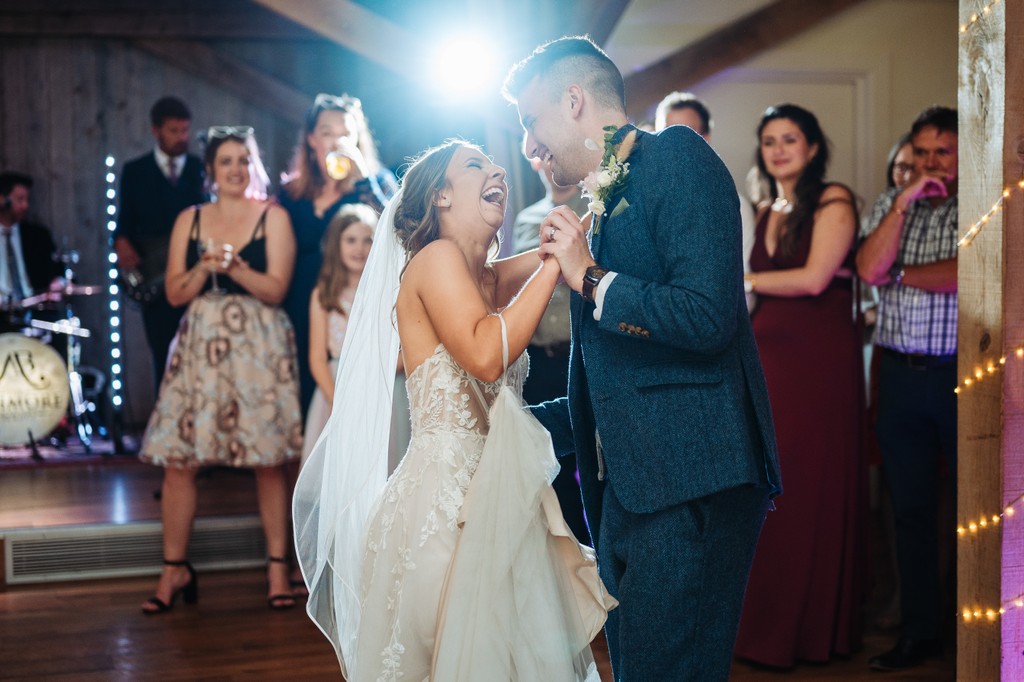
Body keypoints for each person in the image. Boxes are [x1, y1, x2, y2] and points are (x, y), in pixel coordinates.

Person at [502, 36, 782, 681]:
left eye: (530, 121)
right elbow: (615, 375)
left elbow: (709, 316)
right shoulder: (601, 201)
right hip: (629, 486)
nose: (528, 146)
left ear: (574, 100)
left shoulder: (675, 157)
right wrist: (509, 424)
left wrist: (592, 279)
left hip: (692, 478)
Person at [294, 140, 614, 680]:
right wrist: (559, 262)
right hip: (444, 507)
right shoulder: (435, 260)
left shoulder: (484, 274)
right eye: (476, 166)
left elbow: (563, 248)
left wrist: (610, 190)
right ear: (440, 195)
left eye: (497, 167)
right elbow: (488, 355)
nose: (498, 173)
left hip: (499, 497)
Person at [138, 127, 302, 614]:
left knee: (269, 459)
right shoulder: (189, 219)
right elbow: (172, 293)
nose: (235, 169)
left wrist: (234, 268)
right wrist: (203, 267)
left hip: (259, 344)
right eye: (226, 161)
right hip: (200, 345)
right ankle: (173, 569)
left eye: (244, 160)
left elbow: (275, 290)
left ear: (254, 167)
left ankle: (277, 567)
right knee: (180, 458)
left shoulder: (273, 217)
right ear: (209, 170)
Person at [733, 104, 866, 667]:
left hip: (818, 361)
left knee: (809, 484)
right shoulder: (764, 208)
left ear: (812, 147)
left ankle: (807, 633)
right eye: (769, 140)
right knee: (768, 485)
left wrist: (743, 278)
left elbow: (814, 279)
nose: (779, 149)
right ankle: (760, 628)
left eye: (790, 138)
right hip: (769, 357)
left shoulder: (834, 199)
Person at [856, 105, 958, 672]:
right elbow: (869, 269)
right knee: (910, 510)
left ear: (964, 155)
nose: (928, 163)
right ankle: (920, 633)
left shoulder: (982, 202)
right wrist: (901, 205)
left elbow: (969, 271)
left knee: (977, 509)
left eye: (942, 151)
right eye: (921, 151)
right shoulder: (890, 203)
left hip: (962, 376)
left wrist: (902, 274)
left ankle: (977, 628)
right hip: (897, 376)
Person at [278, 93, 397, 415]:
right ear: (312, 139)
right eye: (328, 132)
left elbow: (400, 231)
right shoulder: (290, 193)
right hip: (300, 300)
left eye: (346, 132)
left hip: (352, 300)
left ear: (358, 138)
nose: (337, 141)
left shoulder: (377, 182)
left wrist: (364, 180)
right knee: (303, 390)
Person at [512, 157, 591, 545]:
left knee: (588, 458)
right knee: (549, 460)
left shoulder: (593, 208)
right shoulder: (526, 218)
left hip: (579, 352)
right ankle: (568, 546)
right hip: (541, 356)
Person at [115, 96, 206, 388]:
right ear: (155, 130)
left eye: (185, 130)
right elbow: (124, 222)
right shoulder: (135, 171)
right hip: (155, 279)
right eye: (174, 130)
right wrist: (121, 242)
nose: (182, 137)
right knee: (163, 354)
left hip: (195, 277)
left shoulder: (200, 169)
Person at [655, 92, 757, 311]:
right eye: (665, 134)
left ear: (706, 138)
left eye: (687, 134)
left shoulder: (733, 204)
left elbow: (741, 283)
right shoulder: (642, 198)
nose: (675, 145)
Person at [301, 203, 377, 462]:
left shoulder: (387, 293)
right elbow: (317, 357)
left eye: (368, 240)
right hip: (335, 390)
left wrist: (380, 373)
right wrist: (338, 402)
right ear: (337, 245)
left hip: (378, 387)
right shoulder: (322, 295)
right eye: (351, 240)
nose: (360, 248)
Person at [0, 172, 63, 330]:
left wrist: (58, 283)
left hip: (34, 312)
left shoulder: (37, 236)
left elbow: (59, 271)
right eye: (20, 199)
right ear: (2, 200)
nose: (25, 206)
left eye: (27, 200)